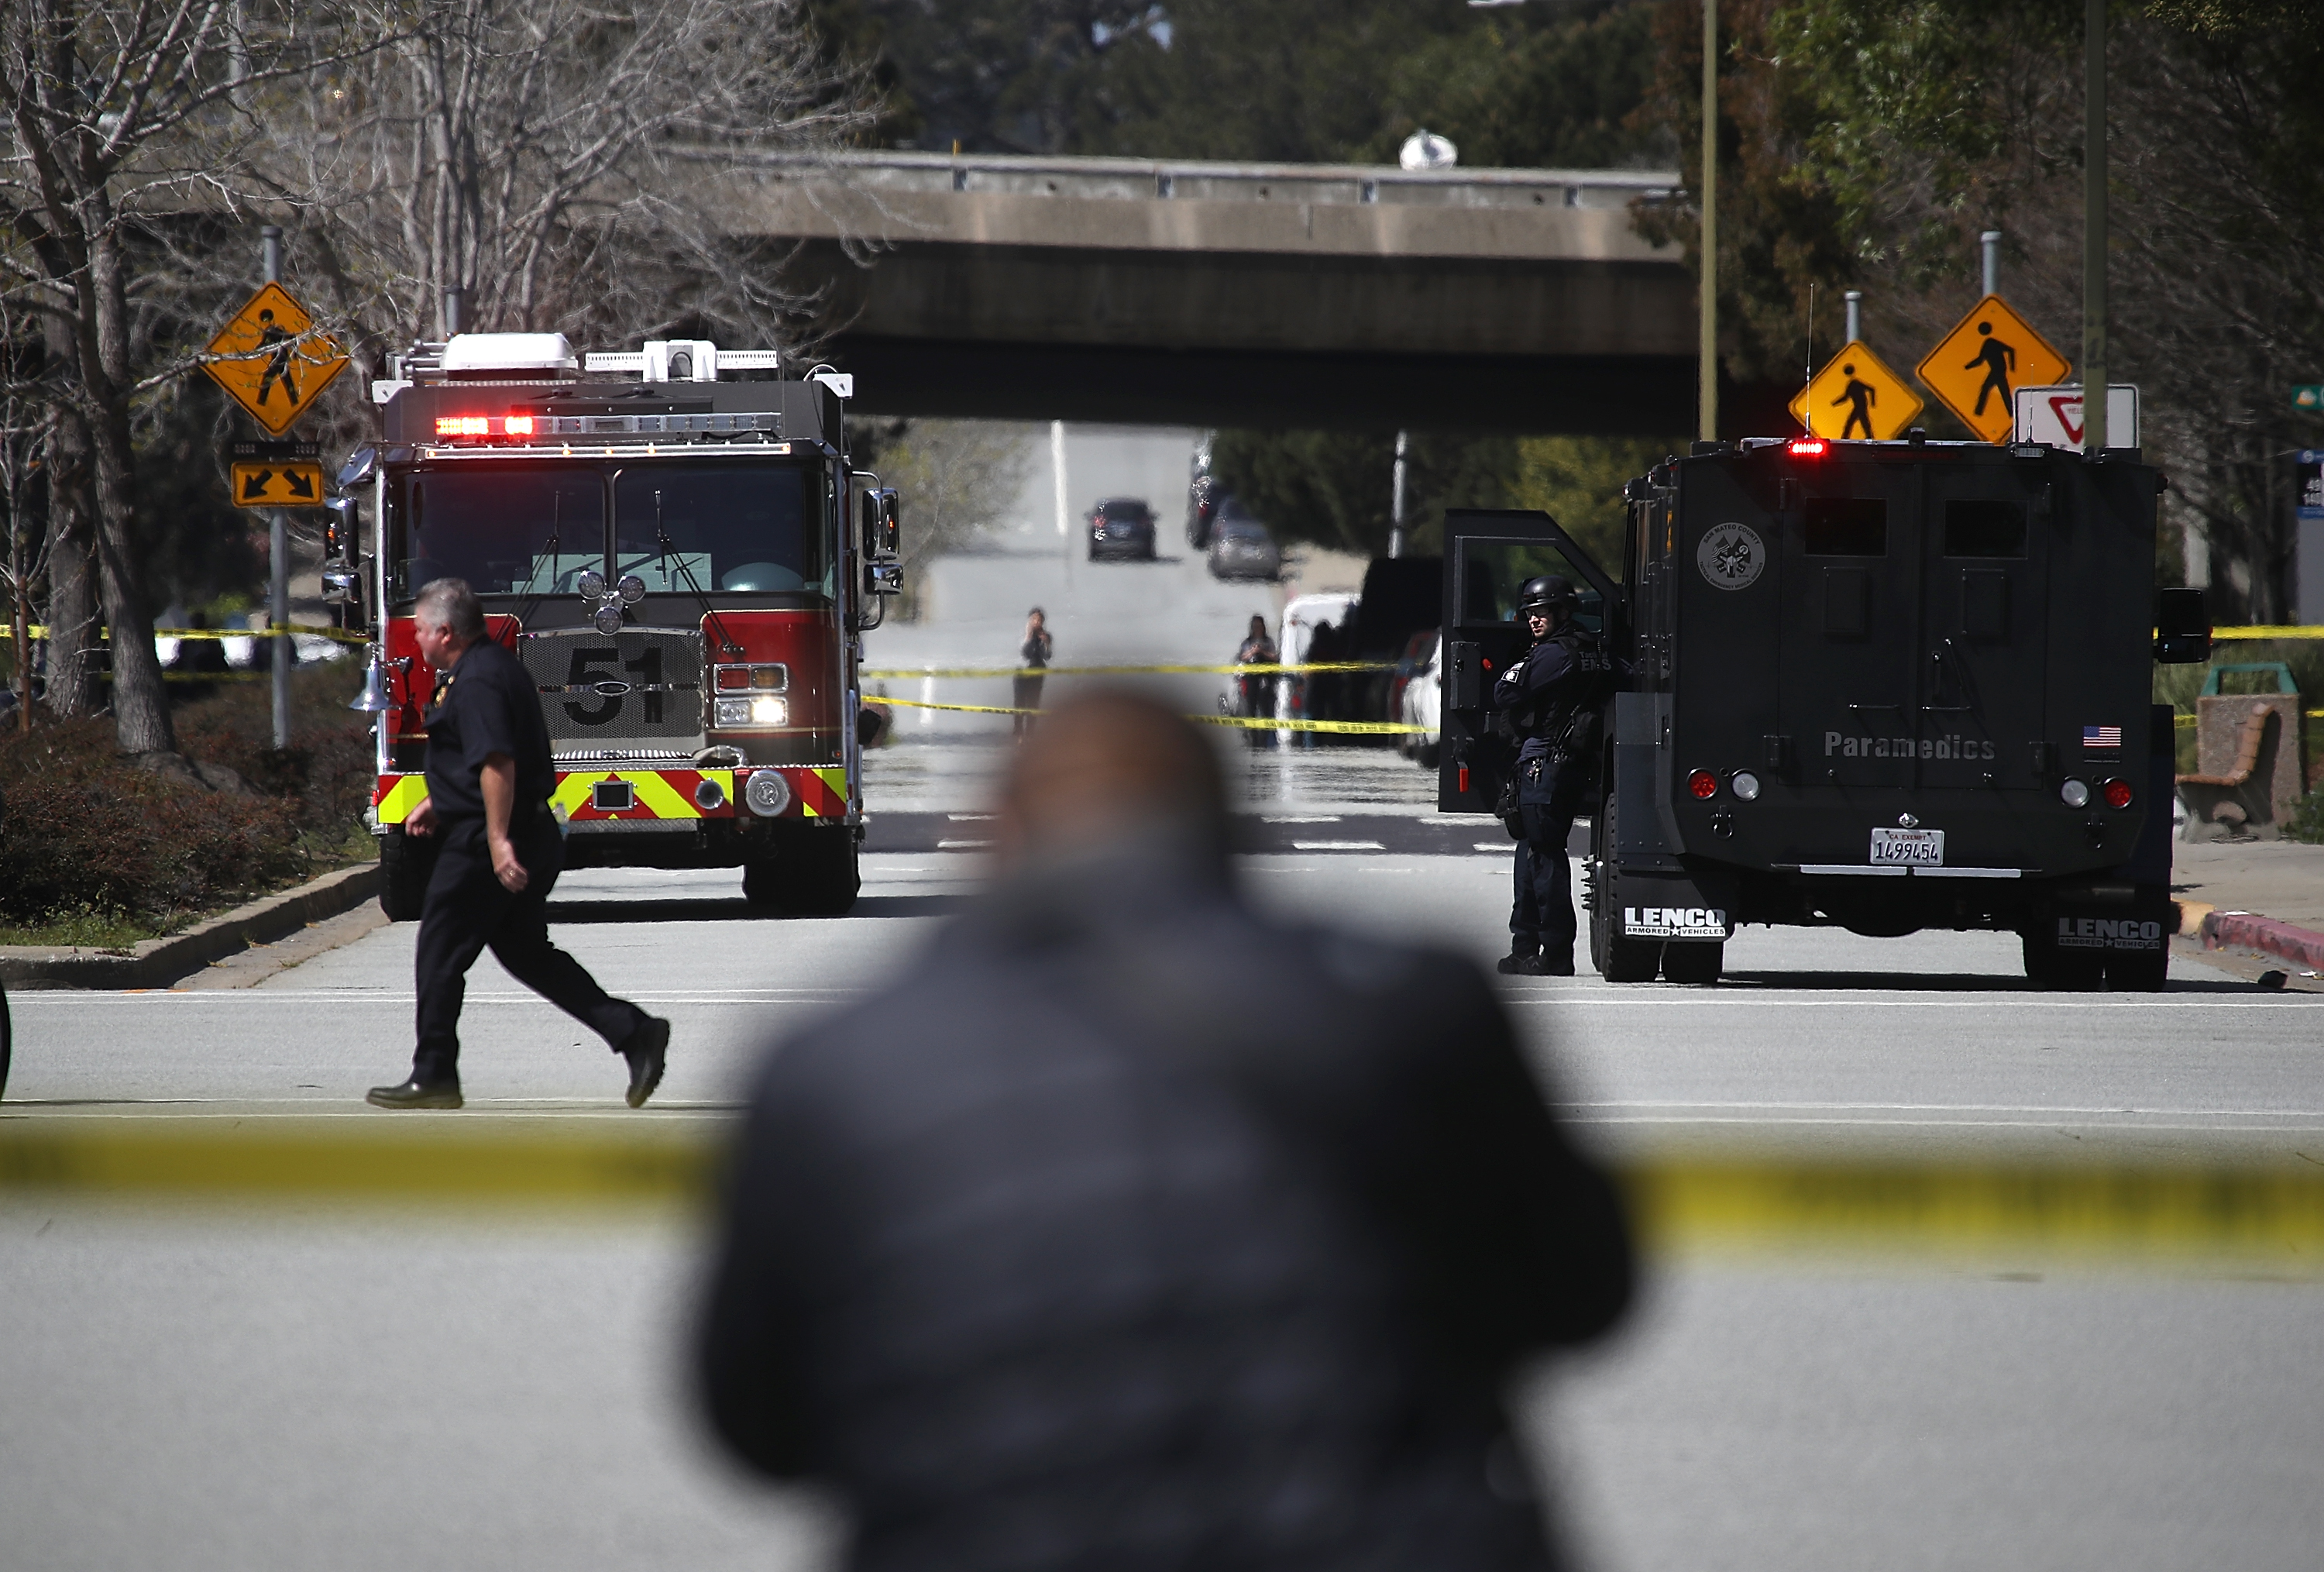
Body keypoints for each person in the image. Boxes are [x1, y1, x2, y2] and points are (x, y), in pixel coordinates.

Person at [696, 690, 1633, 1572]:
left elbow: (756, 1422)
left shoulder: (835, 1066)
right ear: (1226, 839)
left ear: (1000, 841)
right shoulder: (1416, 1003)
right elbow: (1586, 1294)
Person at [366, 578, 669, 1110]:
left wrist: (499, 841)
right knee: (528, 953)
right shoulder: (490, 668)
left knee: (439, 951)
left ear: (444, 631)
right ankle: (634, 1030)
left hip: (489, 840)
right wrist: (442, 800)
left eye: (418, 629)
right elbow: (490, 757)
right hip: (519, 827)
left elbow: (499, 762)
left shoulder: (479, 679)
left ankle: (434, 1072)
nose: (414, 639)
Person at [1493, 575, 1614, 977]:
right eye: (1530, 614)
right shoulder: (1593, 648)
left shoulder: (1552, 654)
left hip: (1545, 761)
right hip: (1566, 763)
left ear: (1563, 613)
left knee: (1543, 858)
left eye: (1541, 613)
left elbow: (1506, 692)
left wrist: (1518, 666)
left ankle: (1555, 953)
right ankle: (1525, 947)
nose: (1533, 621)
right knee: (1532, 853)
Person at [1233, 611, 1278, 748]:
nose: (1258, 629)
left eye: (1260, 626)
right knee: (1250, 710)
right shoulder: (1247, 643)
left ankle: (1264, 740)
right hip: (1251, 680)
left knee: (1266, 710)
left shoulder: (1268, 642)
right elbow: (1242, 657)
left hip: (1266, 680)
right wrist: (1253, 652)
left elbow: (1275, 657)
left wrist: (1262, 651)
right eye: (1255, 626)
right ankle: (1253, 739)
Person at [1013, 607, 1051, 738]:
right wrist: (1029, 637)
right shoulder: (1023, 635)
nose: (1037, 622)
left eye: (1039, 620)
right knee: (1020, 704)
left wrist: (1046, 643)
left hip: (1037, 673)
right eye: (1034, 619)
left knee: (1033, 704)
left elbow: (1047, 656)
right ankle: (1018, 733)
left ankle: (1030, 734)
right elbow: (1025, 654)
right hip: (1022, 673)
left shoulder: (1046, 636)